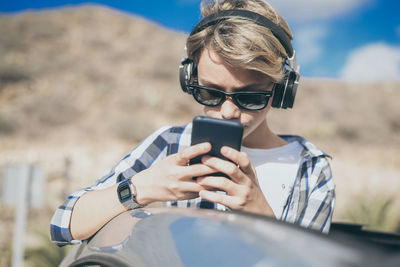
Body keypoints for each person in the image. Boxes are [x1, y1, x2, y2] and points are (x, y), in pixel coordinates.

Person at [50, 0, 335, 246]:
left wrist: (261, 214)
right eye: (210, 93)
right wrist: (142, 188)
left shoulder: (310, 167)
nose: (227, 112)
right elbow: (63, 224)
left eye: (249, 97)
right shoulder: (170, 143)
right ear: (190, 80)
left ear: (283, 90)